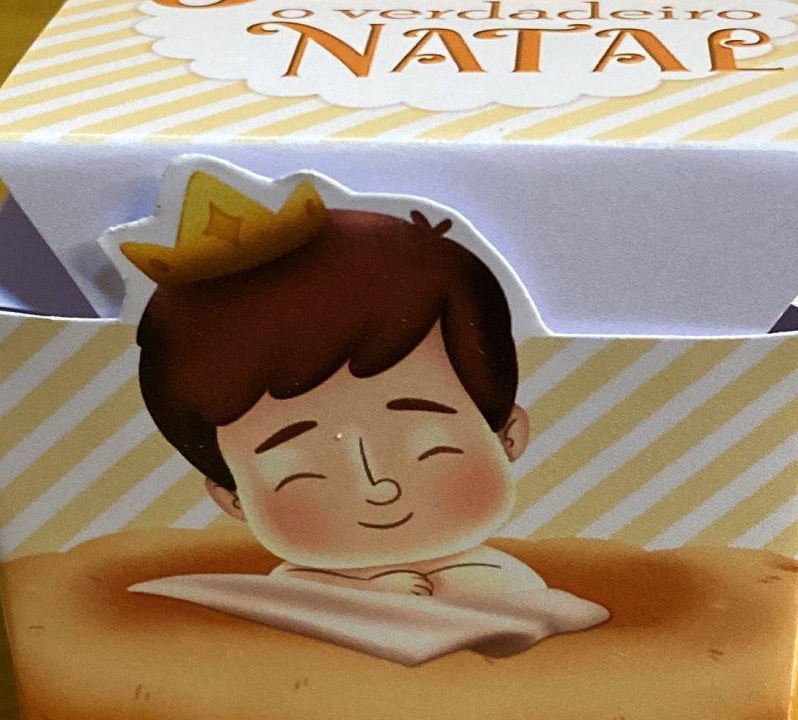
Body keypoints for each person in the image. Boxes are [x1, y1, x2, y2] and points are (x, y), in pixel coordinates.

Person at [128, 179, 548, 604]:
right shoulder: (280, 599)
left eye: (431, 448)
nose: (378, 487)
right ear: (234, 499)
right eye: (301, 473)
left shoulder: (506, 584)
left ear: (508, 436)